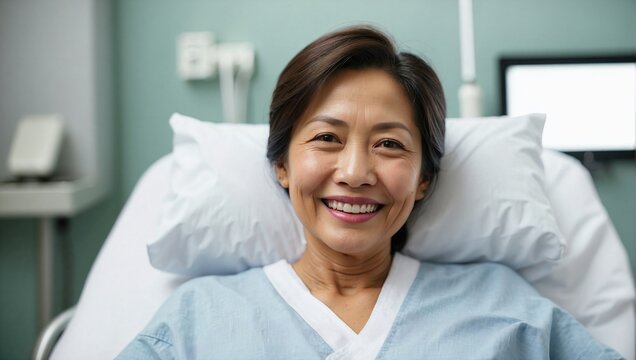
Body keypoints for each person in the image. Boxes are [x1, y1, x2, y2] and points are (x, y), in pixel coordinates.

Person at [117, 26, 622, 359]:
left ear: (424, 178)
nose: (356, 172)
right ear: (281, 166)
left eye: (388, 144)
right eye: (326, 138)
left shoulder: (505, 307)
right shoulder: (198, 320)